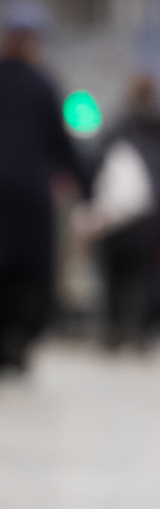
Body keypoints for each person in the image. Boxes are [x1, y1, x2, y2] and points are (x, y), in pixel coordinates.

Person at [0, 0, 88, 381]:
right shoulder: (42, 83)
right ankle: (20, 341)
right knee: (30, 276)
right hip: (27, 196)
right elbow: (62, 145)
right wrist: (86, 188)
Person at [89, 75, 160, 351]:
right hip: (150, 214)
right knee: (145, 274)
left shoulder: (116, 129)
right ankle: (142, 330)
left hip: (117, 217)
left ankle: (114, 329)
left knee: (114, 275)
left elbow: (97, 168)